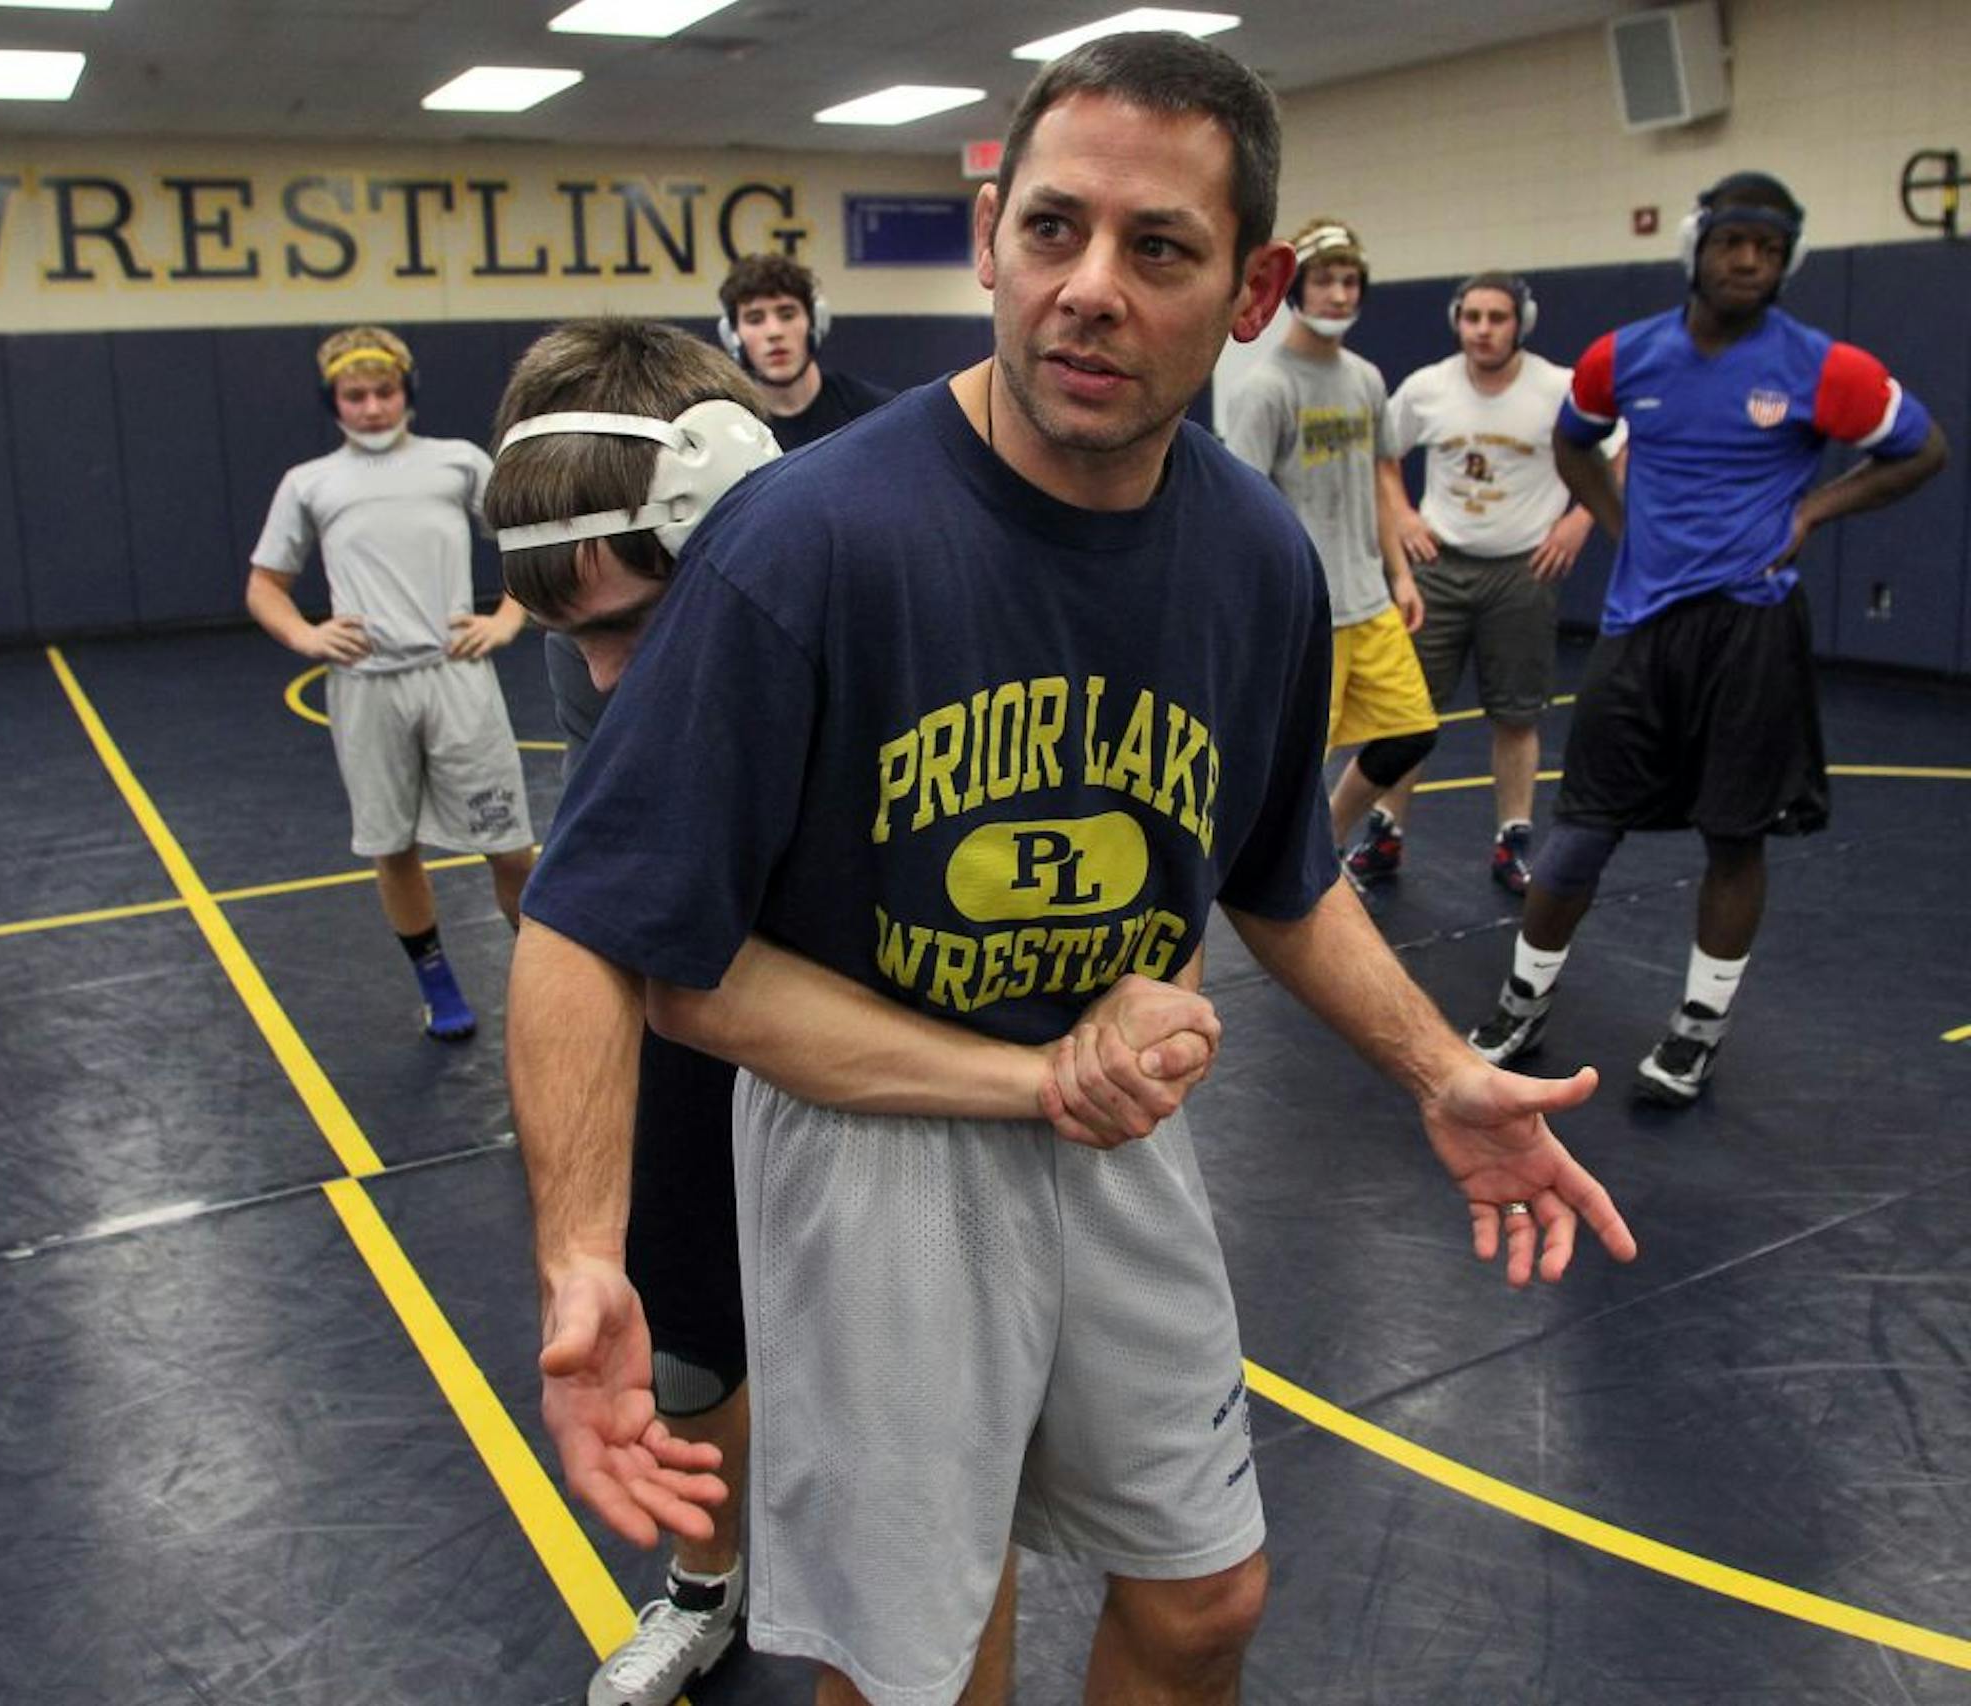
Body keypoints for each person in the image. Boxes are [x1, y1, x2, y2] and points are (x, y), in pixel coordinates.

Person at [510, 34, 1637, 1706]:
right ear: (990, 243)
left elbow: (1282, 876)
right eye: (1052, 231)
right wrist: (585, 1258)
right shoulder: (809, 543)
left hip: (1109, 1125)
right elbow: (596, 925)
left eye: (1157, 249)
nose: (1089, 288)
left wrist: (1444, 1069)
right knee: (924, 1658)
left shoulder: (1249, 553)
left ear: (1252, 289)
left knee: (1206, 1600)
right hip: (874, 1151)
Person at [485, 317, 1224, 1706]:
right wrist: (578, 1246)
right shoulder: (624, 603)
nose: (600, 680)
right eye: (566, 633)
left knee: (946, 1531)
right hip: (703, 1042)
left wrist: (1148, 992)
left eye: (634, 628)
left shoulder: (834, 575)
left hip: (875, 1072)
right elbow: (598, 931)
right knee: (688, 1351)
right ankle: (705, 1592)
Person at [1467, 172, 1947, 1105]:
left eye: (1769, 250)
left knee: (1736, 836)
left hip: (1753, 628)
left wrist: (1814, 509)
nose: (1748, 262)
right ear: (1699, 246)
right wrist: (1621, 526)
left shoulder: (1821, 366)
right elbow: (1575, 441)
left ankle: (1698, 1027)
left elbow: (1920, 450)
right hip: (1642, 629)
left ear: (1787, 263)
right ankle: (1522, 1001)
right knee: (1579, 833)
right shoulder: (1624, 357)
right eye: (1734, 242)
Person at [245, 325, 536, 1041]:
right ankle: (438, 986)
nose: (372, 407)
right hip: (367, 688)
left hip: (457, 677)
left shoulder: (458, 463)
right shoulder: (310, 483)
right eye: (355, 395)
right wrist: (306, 635)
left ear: (407, 393)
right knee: (391, 843)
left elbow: (532, 540)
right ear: (333, 402)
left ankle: (544, 978)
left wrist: (505, 619)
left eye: (384, 391)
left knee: (510, 844)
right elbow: (264, 586)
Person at [1363, 271, 1625, 894]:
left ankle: (1513, 838)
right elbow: (1382, 450)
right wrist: (1400, 514)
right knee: (1408, 712)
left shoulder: (1559, 387)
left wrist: (1581, 520)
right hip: (1440, 566)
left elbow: (1617, 446)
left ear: (1520, 324)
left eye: (1496, 318)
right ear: (1457, 320)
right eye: (1472, 317)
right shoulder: (1427, 387)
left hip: (1522, 568)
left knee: (1516, 714)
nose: (1482, 330)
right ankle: (1383, 831)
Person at [1223, 218, 1441, 871]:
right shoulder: (1267, 388)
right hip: (1306, 616)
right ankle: (1285, 870)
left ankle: (1326, 852)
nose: (1340, 295)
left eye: (1350, 282)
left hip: (1369, 601)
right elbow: (1246, 509)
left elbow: (1379, 483)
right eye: (1325, 281)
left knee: (1410, 734)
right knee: (1294, 767)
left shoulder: (1366, 379)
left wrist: (1400, 575)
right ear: (1295, 287)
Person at [716, 253, 896, 450]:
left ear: (815, 322)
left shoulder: (875, 414)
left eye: (787, 314)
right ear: (733, 335)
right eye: (755, 319)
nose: (774, 332)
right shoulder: (727, 430)